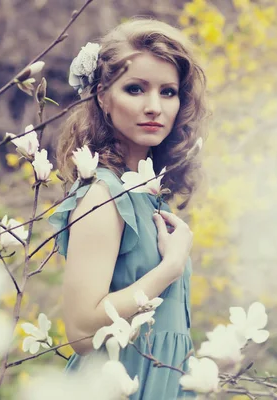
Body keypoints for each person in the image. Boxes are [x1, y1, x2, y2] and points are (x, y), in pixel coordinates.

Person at [48, 17, 208, 399]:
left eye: (168, 92)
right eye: (135, 89)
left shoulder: (148, 190)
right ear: (103, 95)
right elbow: (83, 331)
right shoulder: (104, 196)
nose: (154, 106)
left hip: (161, 381)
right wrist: (169, 269)